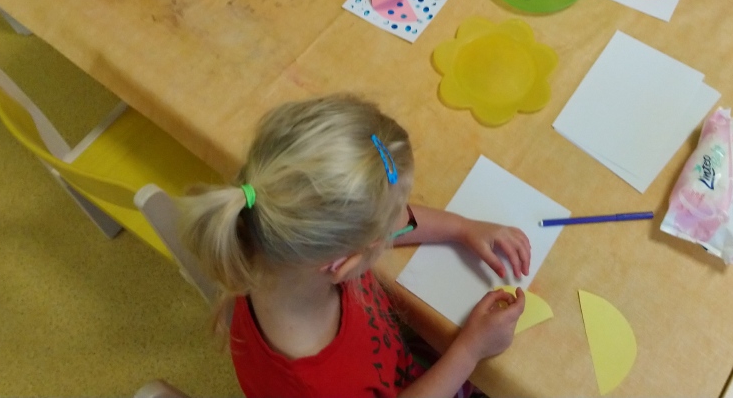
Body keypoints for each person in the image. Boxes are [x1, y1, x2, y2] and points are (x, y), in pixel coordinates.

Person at [179, 95, 531, 398]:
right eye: (392, 222)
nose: (400, 223)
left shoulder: (273, 245)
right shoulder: (321, 383)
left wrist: (462, 228)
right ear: (342, 262)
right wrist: (470, 351)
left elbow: (371, 220)